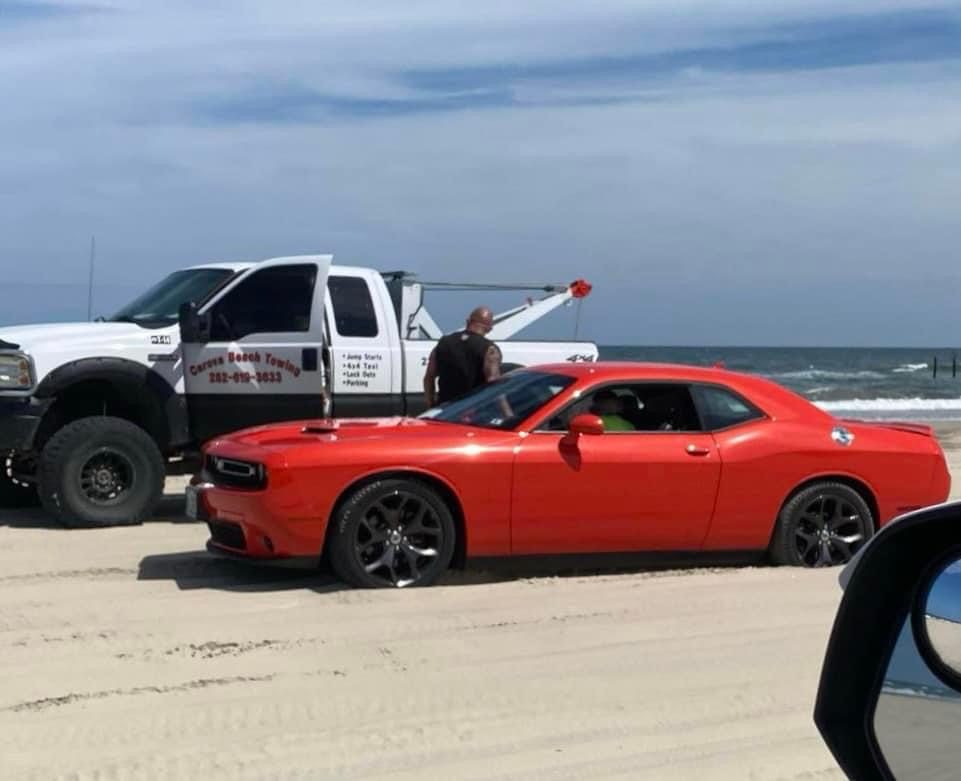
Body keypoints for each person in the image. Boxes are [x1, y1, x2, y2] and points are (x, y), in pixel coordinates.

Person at [423, 306, 502, 407]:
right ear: (489, 328)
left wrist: (432, 405)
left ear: (468, 321)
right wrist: (506, 412)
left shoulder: (443, 342)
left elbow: (429, 377)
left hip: (445, 409)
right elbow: (493, 384)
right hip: (472, 409)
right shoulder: (490, 349)